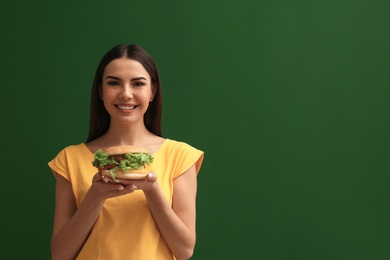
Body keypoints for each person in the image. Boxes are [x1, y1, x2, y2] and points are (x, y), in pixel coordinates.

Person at [48, 44, 204, 260]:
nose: (126, 94)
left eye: (138, 83)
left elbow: (184, 250)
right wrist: (95, 197)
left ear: (152, 92)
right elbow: (60, 254)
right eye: (114, 83)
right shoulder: (69, 159)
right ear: (101, 91)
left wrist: (152, 191)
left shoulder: (180, 155)